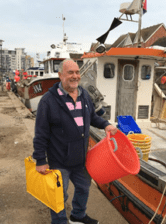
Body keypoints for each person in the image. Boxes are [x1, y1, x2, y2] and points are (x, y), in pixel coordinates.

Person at [33, 59, 117, 224]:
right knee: (59, 195)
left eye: (77, 72)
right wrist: (40, 160)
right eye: (70, 72)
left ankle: (78, 215)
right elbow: (41, 133)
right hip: (59, 160)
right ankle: (59, 221)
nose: (75, 76)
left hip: (80, 159)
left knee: (84, 188)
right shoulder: (48, 101)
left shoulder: (84, 94)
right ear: (60, 75)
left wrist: (106, 124)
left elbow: (91, 117)